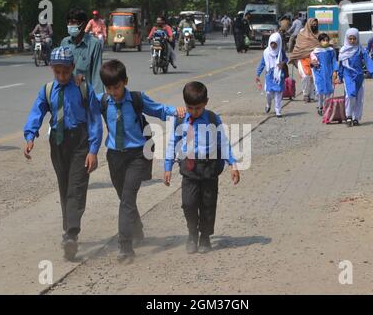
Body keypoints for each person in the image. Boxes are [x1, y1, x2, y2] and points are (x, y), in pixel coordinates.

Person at [97, 60, 186, 264]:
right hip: (114, 156)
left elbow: (159, 110)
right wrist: (79, 82)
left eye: (117, 87)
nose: (113, 92)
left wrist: (177, 111)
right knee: (124, 198)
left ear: (125, 82)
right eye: (109, 88)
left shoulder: (136, 99)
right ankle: (136, 230)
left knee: (127, 198)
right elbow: (82, 100)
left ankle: (125, 246)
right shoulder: (102, 100)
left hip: (137, 155)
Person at [23, 46, 103, 261]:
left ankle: (71, 234)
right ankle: (68, 228)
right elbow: (37, 112)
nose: (61, 76)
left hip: (80, 142)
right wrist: (30, 136)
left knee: (76, 187)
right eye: (57, 72)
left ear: (73, 68)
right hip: (57, 142)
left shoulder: (83, 88)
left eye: (65, 72)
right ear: (51, 69)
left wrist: (93, 150)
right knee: (65, 186)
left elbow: (95, 119)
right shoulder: (48, 90)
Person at [164, 81, 240, 254]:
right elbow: (172, 143)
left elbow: (224, 142)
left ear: (206, 102)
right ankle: (192, 234)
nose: (193, 112)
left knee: (208, 203)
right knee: (188, 203)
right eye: (190, 107)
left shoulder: (213, 119)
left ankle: (204, 236)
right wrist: (167, 166)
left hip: (209, 167)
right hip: (189, 167)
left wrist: (232, 164)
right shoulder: (180, 119)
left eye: (197, 108)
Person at [337, 28, 373, 127]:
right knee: (350, 95)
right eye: (350, 39)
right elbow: (341, 65)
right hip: (348, 76)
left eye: (354, 39)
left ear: (357, 38)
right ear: (347, 39)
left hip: (359, 77)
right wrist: (340, 76)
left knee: (359, 98)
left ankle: (356, 118)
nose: (352, 41)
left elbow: (368, 61)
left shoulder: (360, 50)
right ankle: (348, 116)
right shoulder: (343, 51)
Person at [61, 8, 104, 94]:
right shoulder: (65, 42)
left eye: (73, 22)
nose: (70, 25)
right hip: (67, 94)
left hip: (85, 96)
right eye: (68, 22)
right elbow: (59, 70)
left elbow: (97, 73)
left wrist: (98, 98)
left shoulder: (94, 44)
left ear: (83, 24)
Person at [255, 33, 288, 117]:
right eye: (271, 43)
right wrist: (258, 74)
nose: (273, 45)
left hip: (279, 75)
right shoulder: (266, 52)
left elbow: (286, 58)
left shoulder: (281, 51)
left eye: (275, 43)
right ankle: (268, 104)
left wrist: (283, 63)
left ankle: (278, 111)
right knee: (269, 93)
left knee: (278, 93)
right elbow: (262, 63)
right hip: (269, 75)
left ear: (278, 43)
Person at [289, 18, 320, 103]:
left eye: (316, 24)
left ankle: (312, 95)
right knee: (306, 76)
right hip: (302, 59)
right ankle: (306, 94)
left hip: (314, 60)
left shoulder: (318, 36)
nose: (314, 25)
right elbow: (298, 47)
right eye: (312, 24)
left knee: (313, 78)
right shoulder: (302, 35)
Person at [310, 33, 339, 116]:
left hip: (329, 73)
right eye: (323, 40)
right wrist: (313, 63)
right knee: (320, 91)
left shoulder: (331, 51)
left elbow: (334, 61)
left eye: (327, 40)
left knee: (328, 91)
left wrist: (335, 71)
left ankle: (327, 107)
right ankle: (320, 106)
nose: (325, 42)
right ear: (319, 41)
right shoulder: (315, 52)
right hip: (319, 73)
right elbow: (312, 63)